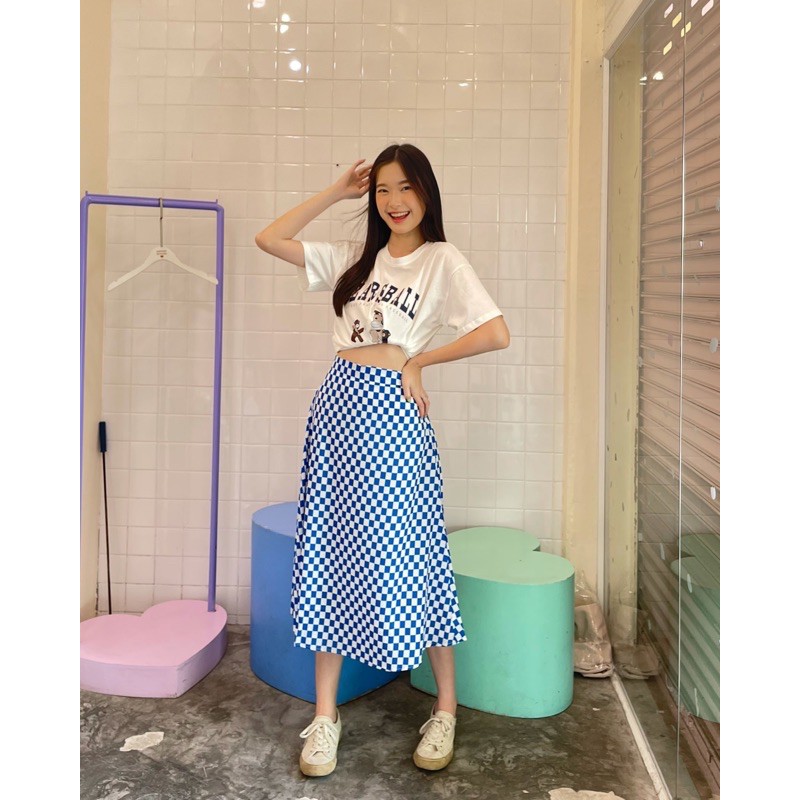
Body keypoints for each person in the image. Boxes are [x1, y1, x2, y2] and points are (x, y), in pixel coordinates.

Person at [255, 143, 510, 777]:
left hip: (394, 418)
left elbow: (495, 332)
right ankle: (325, 716)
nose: (394, 201)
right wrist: (336, 191)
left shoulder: (441, 260)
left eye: (406, 188)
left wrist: (420, 361)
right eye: (383, 190)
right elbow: (268, 238)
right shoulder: (356, 257)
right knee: (329, 553)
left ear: (426, 192)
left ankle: (444, 708)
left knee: (416, 554)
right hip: (336, 411)